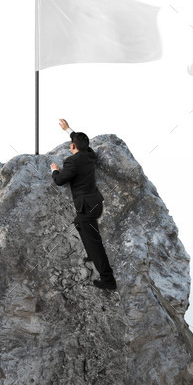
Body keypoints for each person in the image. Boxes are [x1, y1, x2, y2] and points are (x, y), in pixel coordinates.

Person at [50, 119, 117, 291]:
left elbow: (59, 181)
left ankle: (108, 280)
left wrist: (54, 170)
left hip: (86, 207)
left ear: (72, 147)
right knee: (79, 224)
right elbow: (81, 142)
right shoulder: (90, 155)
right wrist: (68, 130)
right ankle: (91, 254)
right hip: (96, 203)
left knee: (96, 244)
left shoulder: (72, 162)